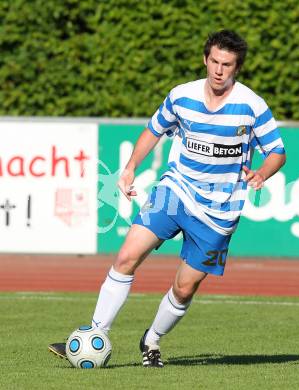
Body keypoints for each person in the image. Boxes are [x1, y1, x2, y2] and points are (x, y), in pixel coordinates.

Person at [49, 29, 286, 368]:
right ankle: (95, 333)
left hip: (219, 211)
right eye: (215, 62)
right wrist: (130, 167)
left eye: (228, 65)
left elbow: (278, 151)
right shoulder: (181, 95)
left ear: (237, 68)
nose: (219, 70)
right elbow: (154, 128)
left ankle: (152, 339)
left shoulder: (251, 105)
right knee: (127, 256)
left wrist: (262, 172)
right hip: (175, 192)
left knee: (185, 287)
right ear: (206, 59)